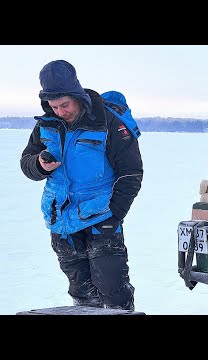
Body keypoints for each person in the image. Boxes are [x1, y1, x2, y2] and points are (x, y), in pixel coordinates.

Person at [20, 60, 143, 310]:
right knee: (81, 293)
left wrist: (115, 215)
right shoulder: (46, 124)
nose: (60, 112)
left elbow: (131, 173)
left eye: (65, 105)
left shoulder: (108, 122)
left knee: (113, 291)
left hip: (101, 220)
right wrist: (39, 165)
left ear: (77, 96)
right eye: (54, 106)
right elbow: (26, 163)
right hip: (62, 222)